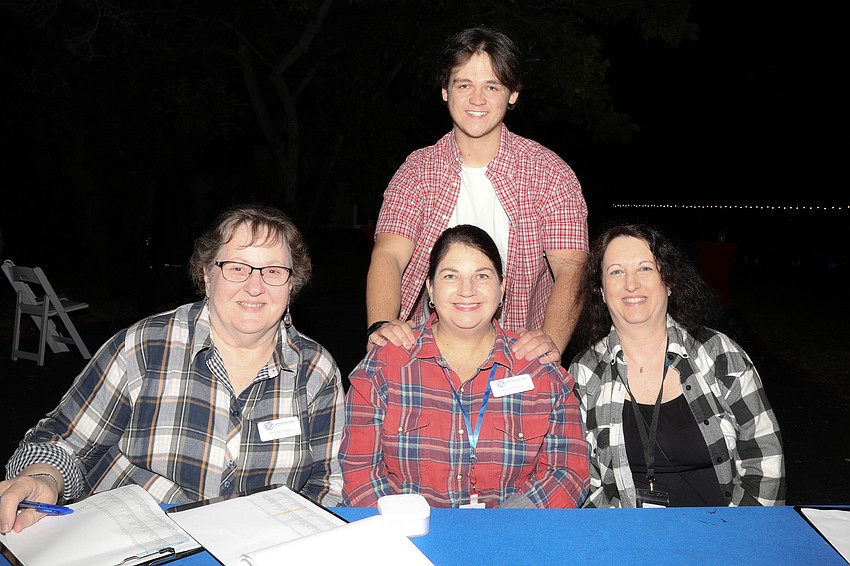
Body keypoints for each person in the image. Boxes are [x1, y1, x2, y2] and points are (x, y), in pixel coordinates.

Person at [0, 204, 344, 534]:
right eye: (237, 267)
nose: (255, 286)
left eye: (273, 271)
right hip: (132, 545)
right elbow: (62, 441)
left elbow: (327, 481)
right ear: (207, 276)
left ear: (292, 285)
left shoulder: (316, 371)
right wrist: (43, 478)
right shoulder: (145, 348)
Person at [366, 27, 588, 364]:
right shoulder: (416, 171)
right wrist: (380, 325)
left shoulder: (549, 174)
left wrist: (550, 345)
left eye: (492, 86)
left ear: (512, 93)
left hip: (517, 355)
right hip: (423, 358)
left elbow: (572, 268)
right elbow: (389, 255)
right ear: (445, 90)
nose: (477, 99)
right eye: (464, 84)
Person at [341, 225, 589, 508]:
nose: (467, 290)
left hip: (513, 541)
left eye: (482, 276)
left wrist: (507, 525)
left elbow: (569, 472)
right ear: (430, 289)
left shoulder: (539, 369)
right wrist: (405, 530)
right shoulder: (385, 366)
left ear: (502, 288)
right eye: (450, 276)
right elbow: (359, 472)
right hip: (408, 541)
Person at [569, 223, 784, 508]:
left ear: (668, 282)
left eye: (645, 268)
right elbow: (585, 479)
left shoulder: (718, 353)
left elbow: (765, 457)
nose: (631, 284)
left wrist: (738, 535)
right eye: (616, 272)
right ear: (602, 290)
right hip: (629, 538)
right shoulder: (585, 372)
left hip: (723, 532)